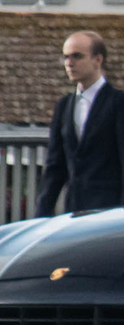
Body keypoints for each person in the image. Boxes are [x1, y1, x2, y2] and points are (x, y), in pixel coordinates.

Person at [40, 30, 123, 216]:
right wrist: (41, 213)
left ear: (98, 60)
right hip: (75, 209)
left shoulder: (118, 103)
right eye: (66, 57)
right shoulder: (64, 106)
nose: (69, 63)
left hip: (111, 212)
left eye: (77, 56)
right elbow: (55, 166)